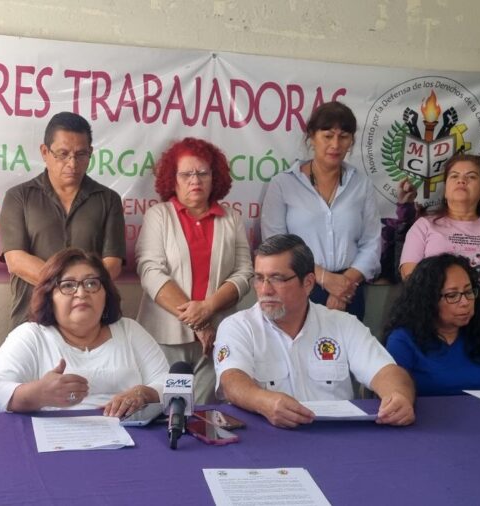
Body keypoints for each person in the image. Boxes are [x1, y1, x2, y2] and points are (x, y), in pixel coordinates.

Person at [214, 234, 415, 429]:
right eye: (259, 278)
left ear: (308, 283)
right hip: (269, 437)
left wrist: (398, 397)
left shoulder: (342, 324)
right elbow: (232, 381)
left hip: (336, 437)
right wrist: (263, 402)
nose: (265, 290)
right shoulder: (238, 326)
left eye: (277, 278)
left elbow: (387, 371)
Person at [135, 138, 253, 404]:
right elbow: (150, 271)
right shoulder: (158, 215)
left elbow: (244, 272)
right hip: (164, 336)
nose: (195, 181)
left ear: (214, 177)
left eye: (202, 173)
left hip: (217, 336)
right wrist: (198, 321)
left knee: (204, 413)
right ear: (173, 179)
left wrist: (209, 307)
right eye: (186, 174)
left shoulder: (232, 218)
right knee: (165, 410)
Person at [0, 249, 169, 417]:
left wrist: (144, 393)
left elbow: (169, 385)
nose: (81, 293)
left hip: (130, 436)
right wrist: (38, 394)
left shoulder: (129, 331)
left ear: (105, 294)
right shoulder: (31, 336)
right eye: (68, 285)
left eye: (91, 283)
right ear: (49, 296)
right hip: (52, 438)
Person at [0, 112, 126, 329]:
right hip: (32, 321)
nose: (72, 163)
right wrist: (72, 289)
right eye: (63, 154)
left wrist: (75, 293)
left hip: (89, 323)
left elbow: (112, 265)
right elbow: (16, 260)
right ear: (45, 152)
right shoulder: (19, 197)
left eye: (81, 154)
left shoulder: (108, 199)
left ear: (90, 153)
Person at [399, 154, 480, 370]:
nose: (461, 181)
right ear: (446, 189)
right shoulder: (424, 226)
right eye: (454, 176)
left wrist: (466, 306)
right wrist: (450, 308)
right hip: (434, 335)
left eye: (471, 177)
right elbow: (411, 277)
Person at [261, 101, 381, 321]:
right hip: (298, 285)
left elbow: (372, 242)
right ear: (311, 137)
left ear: (351, 141)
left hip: (350, 290)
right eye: (327, 136)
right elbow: (275, 245)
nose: (335, 144)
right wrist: (326, 279)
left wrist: (345, 285)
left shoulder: (361, 184)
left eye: (343, 136)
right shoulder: (283, 184)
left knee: (346, 344)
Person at [385, 254, 480, 396]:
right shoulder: (404, 340)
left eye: (469, 292)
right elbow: (394, 394)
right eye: (452, 295)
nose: (465, 302)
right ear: (427, 300)